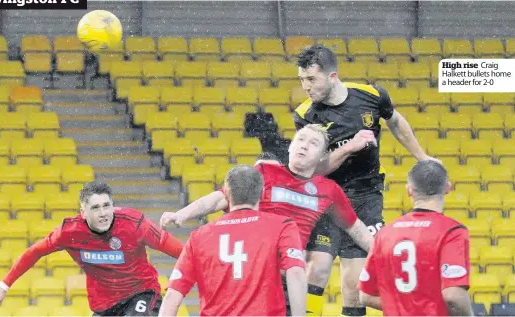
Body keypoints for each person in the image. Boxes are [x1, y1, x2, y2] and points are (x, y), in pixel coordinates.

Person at [160, 123, 376, 315]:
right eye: (300, 140)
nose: (303, 145)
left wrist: (383, 252)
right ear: (290, 147)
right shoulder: (264, 172)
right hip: (253, 272)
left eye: (313, 143)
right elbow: (220, 198)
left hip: (287, 279)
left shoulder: (329, 190)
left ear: (322, 156)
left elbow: (355, 229)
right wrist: (182, 214)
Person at [293, 44, 440, 316]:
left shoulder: (371, 96)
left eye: (311, 79)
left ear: (333, 76)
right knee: (316, 270)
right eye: (302, 80)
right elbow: (313, 170)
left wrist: (422, 157)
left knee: (354, 284)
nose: (306, 86)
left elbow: (395, 121)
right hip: (325, 198)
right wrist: (349, 148)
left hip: (365, 198)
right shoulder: (305, 115)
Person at [0, 181, 184, 317]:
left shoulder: (135, 223)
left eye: (107, 206)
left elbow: (183, 253)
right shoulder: (69, 232)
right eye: (96, 208)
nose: (104, 213)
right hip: (104, 306)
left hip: (142, 294)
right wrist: (2, 287)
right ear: (83, 212)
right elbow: (34, 252)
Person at [159, 165, 307, 316]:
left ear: (227, 195)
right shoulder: (282, 226)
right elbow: (295, 273)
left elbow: (172, 296)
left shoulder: (199, 236)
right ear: (262, 193)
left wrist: (181, 215)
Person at [358, 160, 473, 316]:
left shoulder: (385, 234)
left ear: (409, 190)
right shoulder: (452, 231)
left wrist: (405, 306)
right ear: (448, 187)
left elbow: (365, 296)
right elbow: (453, 296)